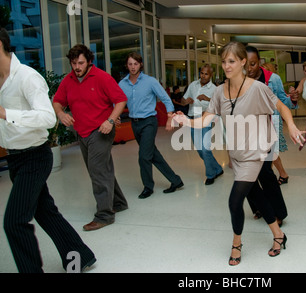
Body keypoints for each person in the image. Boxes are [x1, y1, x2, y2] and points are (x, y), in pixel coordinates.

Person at [173, 41, 306, 265]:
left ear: (243, 62)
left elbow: (281, 107)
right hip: (235, 154)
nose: (227, 66)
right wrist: (185, 120)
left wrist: (291, 125)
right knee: (256, 195)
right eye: (224, 61)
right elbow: (207, 118)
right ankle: (278, 235)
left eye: (232, 61)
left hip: (254, 154)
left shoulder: (256, 88)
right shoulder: (219, 91)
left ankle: (236, 244)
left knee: (235, 202)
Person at [0, 28, 96, 272]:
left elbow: (46, 118)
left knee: (14, 222)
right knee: (45, 212)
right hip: (15, 158)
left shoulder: (26, 77)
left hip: (35, 156)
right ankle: (80, 256)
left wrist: (5, 114)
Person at [53, 44, 128, 231]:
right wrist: (61, 114)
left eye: (80, 63)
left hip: (101, 129)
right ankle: (118, 202)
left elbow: (121, 100)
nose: (77, 67)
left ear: (89, 62)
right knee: (101, 168)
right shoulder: (68, 80)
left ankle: (104, 215)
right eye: (73, 63)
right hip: (82, 132)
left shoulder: (102, 77)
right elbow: (57, 101)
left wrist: (110, 121)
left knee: (97, 170)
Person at [119, 52, 184, 198]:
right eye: (130, 64)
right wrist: (114, 116)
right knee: (152, 154)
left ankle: (148, 187)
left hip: (149, 122)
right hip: (134, 124)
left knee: (143, 156)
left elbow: (166, 99)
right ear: (126, 65)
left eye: (135, 64)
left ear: (140, 64)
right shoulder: (122, 84)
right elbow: (116, 101)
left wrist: (169, 118)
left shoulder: (150, 81)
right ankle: (175, 180)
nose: (133, 67)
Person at [246, 46, 297, 185]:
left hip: (271, 120)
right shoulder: (239, 79)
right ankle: (280, 175)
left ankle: (277, 177)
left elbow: (282, 101)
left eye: (253, 63)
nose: (250, 68)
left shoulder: (273, 79)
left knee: (269, 154)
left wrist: (292, 99)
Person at [183, 64, 223, 185]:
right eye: (201, 73)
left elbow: (220, 106)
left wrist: (207, 98)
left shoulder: (214, 89)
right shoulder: (193, 85)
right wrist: (186, 101)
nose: (203, 76)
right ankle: (218, 168)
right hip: (193, 119)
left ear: (210, 76)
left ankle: (211, 175)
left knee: (205, 149)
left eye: (206, 74)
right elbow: (183, 100)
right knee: (200, 150)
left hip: (206, 119)